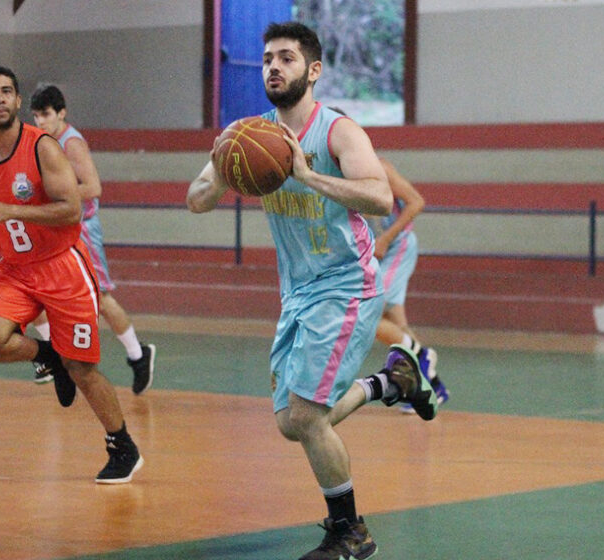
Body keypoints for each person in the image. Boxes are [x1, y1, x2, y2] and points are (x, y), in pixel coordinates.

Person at [187, 23, 438, 560]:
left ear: (313, 71)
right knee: (290, 423)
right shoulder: (248, 136)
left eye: (287, 59)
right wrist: (222, 173)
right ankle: (394, 381)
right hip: (298, 291)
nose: (274, 67)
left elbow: (378, 199)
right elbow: (196, 198)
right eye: (268, 59)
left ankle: (350, 532)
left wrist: (306, 173)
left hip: (347, 283)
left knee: (304, 416)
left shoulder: (338, 132)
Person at [0, 66, 143, 484]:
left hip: (63, 264)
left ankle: (123, 447)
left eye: (7, 91)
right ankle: (47, 357)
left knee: (81, 367)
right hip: (14, 268)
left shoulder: (42, 146)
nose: (0, 98)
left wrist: (11, 211)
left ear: (17, 99)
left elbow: (71, 209)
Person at [27, 84, 155, 395]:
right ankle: (51, 357)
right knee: (35, 290)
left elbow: (93, 187)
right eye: (35, 116)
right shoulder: (41, 142)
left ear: (61, 113)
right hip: (56, 227)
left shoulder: (72, 144)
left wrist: (54, 197)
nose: (40, 121)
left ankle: (138, 356)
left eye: (45, 115)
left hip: (81, 228)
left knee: (100, 299)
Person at [330, 108, 450, 412]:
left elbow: (416, 202)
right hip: (374, 255)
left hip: (397, 247)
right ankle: (433, 386)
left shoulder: (379, 167)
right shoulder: (334, 182)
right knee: (396, 323)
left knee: (369, 311)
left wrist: (385, 238)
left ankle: (421, 357)